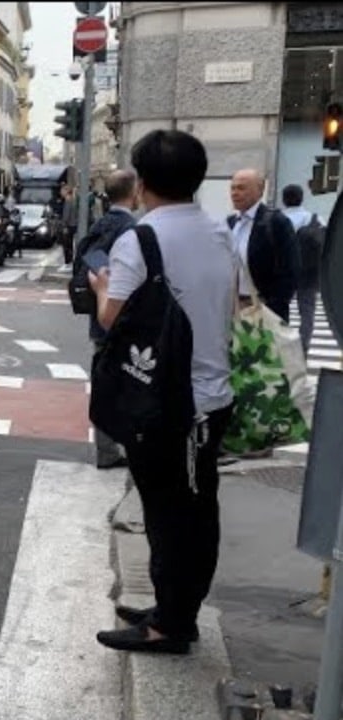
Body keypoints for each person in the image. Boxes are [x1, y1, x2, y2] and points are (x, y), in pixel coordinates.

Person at [88, 129, 236, 655]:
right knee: (187, 510)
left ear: (143, 182)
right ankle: (171, 607)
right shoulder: (219, 232)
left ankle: (172, 624)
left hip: (169, 404)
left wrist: (102, 288)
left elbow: (113, 319)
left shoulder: (141, 239)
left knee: (175, 516)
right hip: (211, 396)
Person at [72, 169, 139, 470]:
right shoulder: (130, 229)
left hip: (99, 320)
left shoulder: (99, 225)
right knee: (131, 384)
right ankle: (124, 447)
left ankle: (107, 449)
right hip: (123, 319)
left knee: (104, 383)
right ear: (134, 191)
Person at [227, 168, 298, 323]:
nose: (235, 193)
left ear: (260, 190)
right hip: (232, 308)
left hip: (263, 308)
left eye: (241, 188)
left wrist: (273, 308)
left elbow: (289, 270)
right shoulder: (230, 223)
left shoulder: (276, 223)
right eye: (233, 188)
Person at [279, 183, 322, 355]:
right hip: (309, 273)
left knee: (280, 310)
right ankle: (303, 347)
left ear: (284, 199)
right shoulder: (315, 218)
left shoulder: (277, 219)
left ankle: (281, 345)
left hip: (283, 273)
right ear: (302, 198)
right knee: (307, 312)